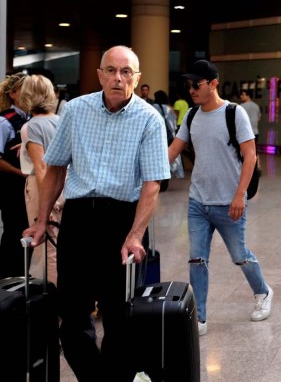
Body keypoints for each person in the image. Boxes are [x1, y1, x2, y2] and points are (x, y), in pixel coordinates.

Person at [23, 45, 170, 382]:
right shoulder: (75, 110)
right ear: (100, 74)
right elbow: (56, 169)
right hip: (78, 219)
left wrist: (135, 234)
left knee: (119, 318)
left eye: (126, 72)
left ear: (137, 78)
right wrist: (42, 220)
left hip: (122, 222)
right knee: (72, 317)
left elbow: (151, 185)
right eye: (112, 70)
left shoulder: (149, 119)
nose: (118, 78)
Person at [168, 60, 273, 337]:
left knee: (239, 255)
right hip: (198, 201)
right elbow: (173, 151)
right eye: (189, 85)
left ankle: (263, 291)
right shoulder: (191, 116)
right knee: (196, 259)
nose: (191, 89)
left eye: (197, 84)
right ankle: (199, 318)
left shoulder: (234, 113)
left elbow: (250, 155)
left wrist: (240, 195)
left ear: (213, 83)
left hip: (229, 201)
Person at [19, 74, 63, 285]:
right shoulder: (61, 121)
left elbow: (41, 166)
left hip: (42, 188)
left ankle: (55, 308)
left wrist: (47, 205)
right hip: (66, 185)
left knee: (47, 248)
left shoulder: (30, 127)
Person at [0, 72, 30, 279]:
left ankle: (26, 278)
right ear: (13, 93)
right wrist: (20, 172)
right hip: (11, 186)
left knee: (28, 230)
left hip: (30, 187)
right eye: (25, 89)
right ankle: (7, 279)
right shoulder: (4, 122)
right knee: (13, 231)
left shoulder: (33, 119)